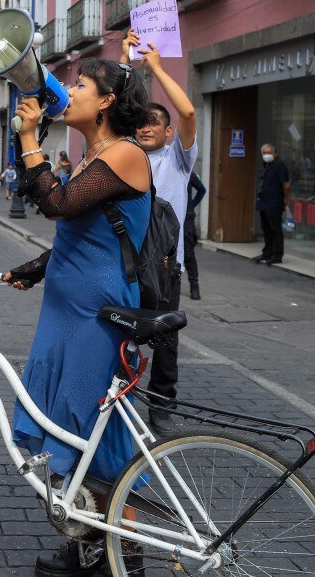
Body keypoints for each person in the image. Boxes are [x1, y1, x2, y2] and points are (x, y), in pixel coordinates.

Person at [0, 58, 151, 576]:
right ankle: (90, 542)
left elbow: (58, 205)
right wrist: (36, 269)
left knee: (97, 433)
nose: (68, 90)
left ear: (107, 101)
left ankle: (123, 553)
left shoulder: (128, 153)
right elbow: (82, 234)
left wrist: (28, 137)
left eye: (79, 84)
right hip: (67, 308)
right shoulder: (95, 154)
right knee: (74, 428)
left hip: (97, 312)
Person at [123, 30, 197, 438]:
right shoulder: (126, 154)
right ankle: (123, 397)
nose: (147, 127)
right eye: (142, 123)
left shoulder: (178, 160)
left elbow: (187, 113)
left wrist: (156, 69)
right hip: (127, 261)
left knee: (166, 340)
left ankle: (162, 403)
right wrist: (126, 64)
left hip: (167, 266)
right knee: (122, 331)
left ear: (168, 133)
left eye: (155, 123)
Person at [254, 143, 291, 266]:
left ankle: (277, 255)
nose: (267, 155)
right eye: (264, 153)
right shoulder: (265, 165)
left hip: (274, 202)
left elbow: (286, 184)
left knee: (275, 229)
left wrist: (286, 198)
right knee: (266, 229)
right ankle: (267, 252)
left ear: (275, 153)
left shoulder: (279, 165)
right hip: (264, 202)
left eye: (269, 152)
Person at [184, 171, 206, 300]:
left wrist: (191, 206)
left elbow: (202, 190)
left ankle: (194, 285)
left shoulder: (188, 173)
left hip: (186, 218)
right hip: (170, 216)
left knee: (188, 254)